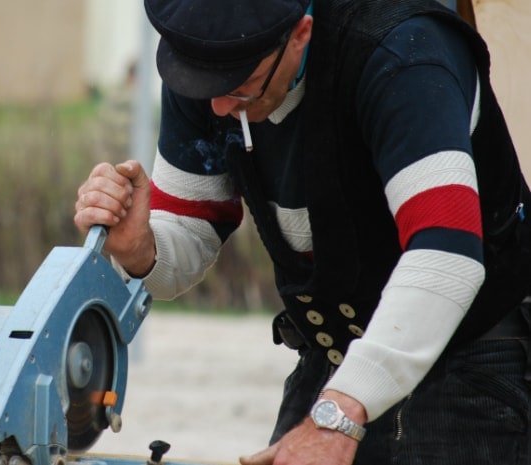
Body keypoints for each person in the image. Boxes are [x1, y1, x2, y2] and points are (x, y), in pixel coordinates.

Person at [74, 0, 531, 464]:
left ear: (300, 34)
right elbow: (191, 228)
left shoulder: (402, 54)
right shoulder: (209, 61)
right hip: (337, 354)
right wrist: (141, 247)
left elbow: (447, 258)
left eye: (241, 85)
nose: (217, 105)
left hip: (471, 355)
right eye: (200, 82)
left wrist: (339, 413)